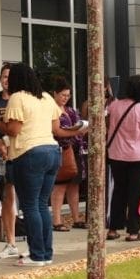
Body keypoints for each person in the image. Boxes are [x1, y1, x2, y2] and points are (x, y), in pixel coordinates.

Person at [4, 63, 71, 265]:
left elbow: (14, 130)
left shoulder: (17, 98)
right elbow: (56, 128)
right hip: (52, 151)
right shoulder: (46, 97)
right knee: (42, 205)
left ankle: (36, 255)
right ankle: (46, 253)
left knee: (30, 206)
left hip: (29, 153)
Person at [106, 74, 140, 241]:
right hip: (139, 157)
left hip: (116, 154)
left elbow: (108, 126)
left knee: (119, 191)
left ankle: (113, 229)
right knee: (136, 194)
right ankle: (133, 231)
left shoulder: (114, 105)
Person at [0, 63, 23, 259]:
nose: (6, 80)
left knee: (25, 197)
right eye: (3, 77)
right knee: (7, 197)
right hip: (0, 156)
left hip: (19, 152)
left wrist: (8, 142)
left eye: (9, 77)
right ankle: (11, 241)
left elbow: (21, 128)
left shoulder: (21, 100)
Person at [50, 78, 89, 232]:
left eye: (68, 95)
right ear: (55, 94)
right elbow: (56, 131)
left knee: (74, 184)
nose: (65, 98)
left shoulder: (71, 110)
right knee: (60, 185)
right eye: (62, 95)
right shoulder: (52, 110)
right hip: (61, 149)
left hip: (75, 149)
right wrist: (74, 130)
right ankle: (57, 220)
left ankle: (76, 218)